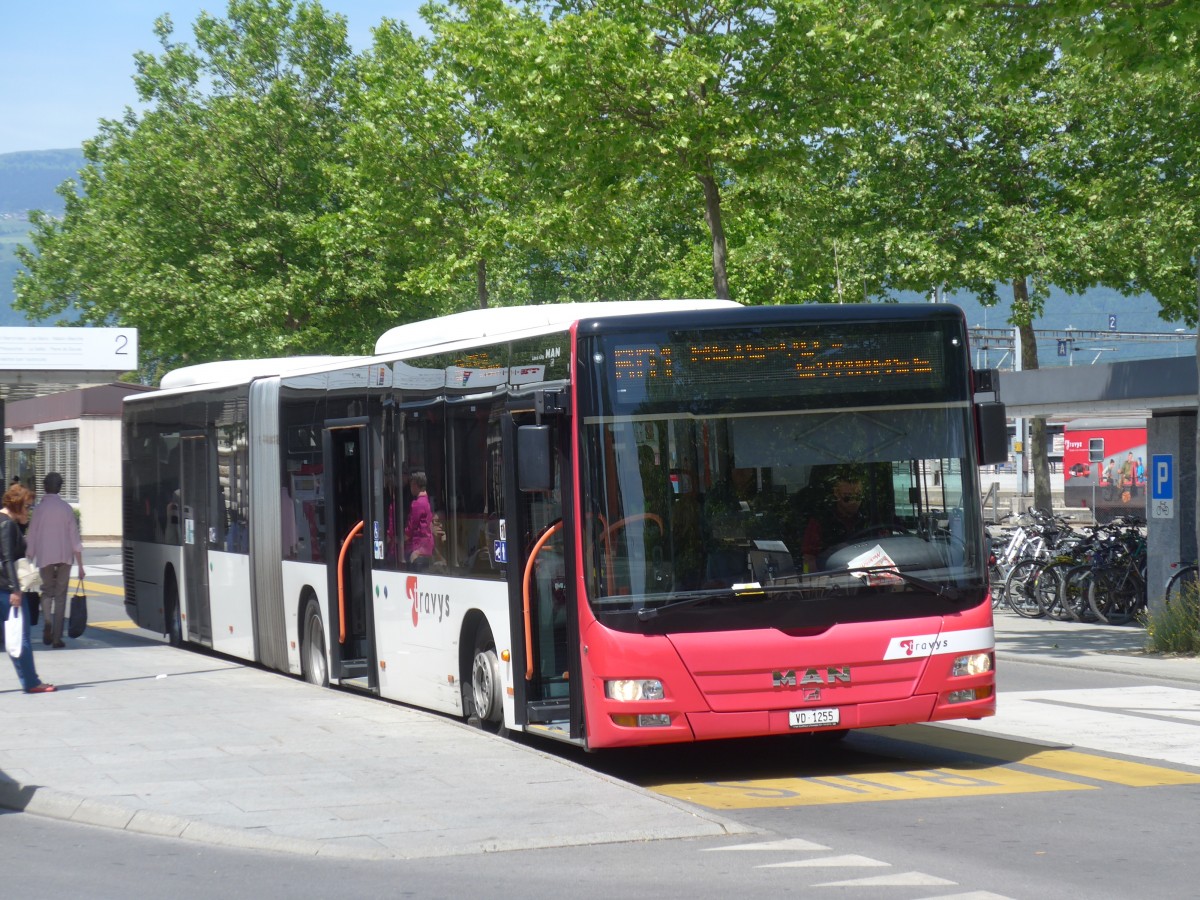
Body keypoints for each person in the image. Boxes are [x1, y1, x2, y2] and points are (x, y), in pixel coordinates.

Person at [0, 484, 56, 693]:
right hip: (7, 590)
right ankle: (31, 682)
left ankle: (30, 680)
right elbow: (7, 558)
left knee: (15, 636)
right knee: (20, 635)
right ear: (17, 505)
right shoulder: (6, 525)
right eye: (28, 507)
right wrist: (16, 589)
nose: (30, 512)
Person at [25, 472, 84, 649]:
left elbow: (32, 537)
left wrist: (29, 560)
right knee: (60, 597)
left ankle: (48, 621)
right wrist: (80, 566)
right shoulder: (66, 508)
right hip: (65, 557)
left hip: (45, 558)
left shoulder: (39, 510)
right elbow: (75, 539)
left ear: (45, 488)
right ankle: (57, 638)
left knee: (46, 592)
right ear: (59, 488)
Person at [801, 477, 868, 572]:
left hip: (871, 578)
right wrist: (810, 579)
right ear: (836, 494)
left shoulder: (870, 517)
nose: (854, 502)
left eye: (858, 497)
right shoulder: (820, 521)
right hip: (832, 580)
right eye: (847, 497)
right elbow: (807, 561)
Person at [403, 472, 434, 570]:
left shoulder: (417, 504)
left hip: (418, 548)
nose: (410, 488)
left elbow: (411, 527)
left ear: (415, 485)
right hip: (427, 547)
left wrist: (402, 539)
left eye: (411, 485)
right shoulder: (427, 501)